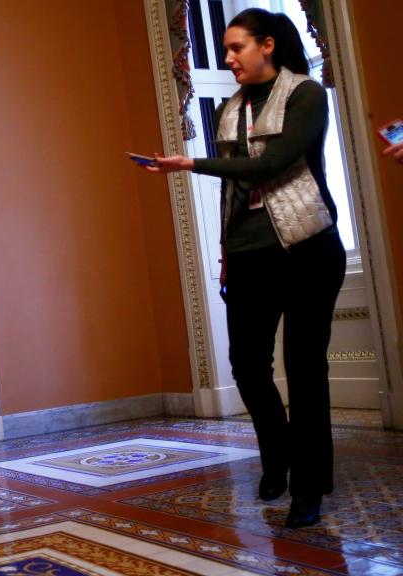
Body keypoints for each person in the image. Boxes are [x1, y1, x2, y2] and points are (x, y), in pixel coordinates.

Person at [142, 8, 345, 529]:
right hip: (250, 256)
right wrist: (226, 256)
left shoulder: (306, 94)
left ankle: (308, 486)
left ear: (268, 46)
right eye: (227, 50)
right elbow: (235, 192)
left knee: (304, 370)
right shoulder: (231, 106)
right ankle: (278, 457)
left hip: (306, 249)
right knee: (248, 367)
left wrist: (190, 162)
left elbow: (270, 165)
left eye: (236, 48)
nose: (228, 58)